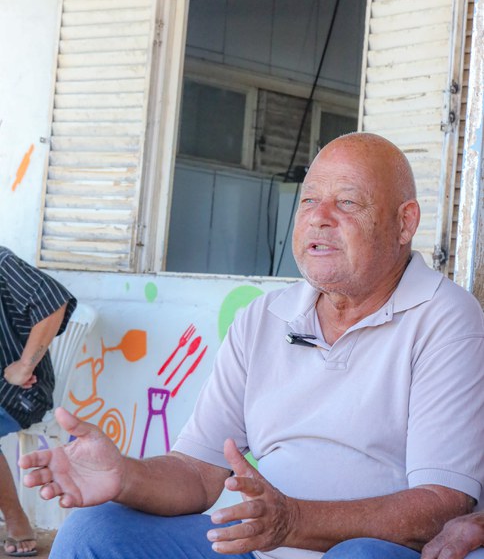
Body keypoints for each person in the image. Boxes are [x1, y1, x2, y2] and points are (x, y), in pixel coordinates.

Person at [19, 133, 484, 559]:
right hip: (258, 545)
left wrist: (294, 521)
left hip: (360, 551)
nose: (320, 218)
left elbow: (441, 505)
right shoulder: (263, 317)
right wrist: (124, 475)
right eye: (309, 201)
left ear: (405, 223)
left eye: (347, 202)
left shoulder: (445, 317)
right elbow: (198, 472)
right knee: (92, 533)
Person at [0, 246, 76, 558]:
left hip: (18, 391)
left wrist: (24, 366)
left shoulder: (2, 263)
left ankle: (16, 520)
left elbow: (53, 302)